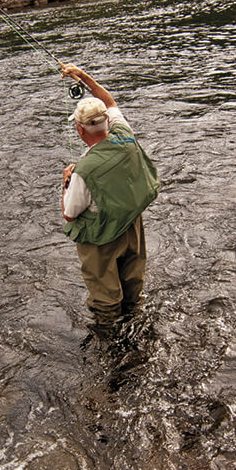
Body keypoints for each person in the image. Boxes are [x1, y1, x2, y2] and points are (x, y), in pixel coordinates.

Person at [59, 63, 160, 327]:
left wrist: (65, 182)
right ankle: (136, 327)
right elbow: (109, 100)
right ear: (106, 121)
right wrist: (82, 76)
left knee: (106, 300)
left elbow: (69, 215)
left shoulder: (82, 171)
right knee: (132, 287)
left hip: (101, 239)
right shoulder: (124, 133)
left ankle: (110, 344)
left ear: (80, 130)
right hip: (131, 225)